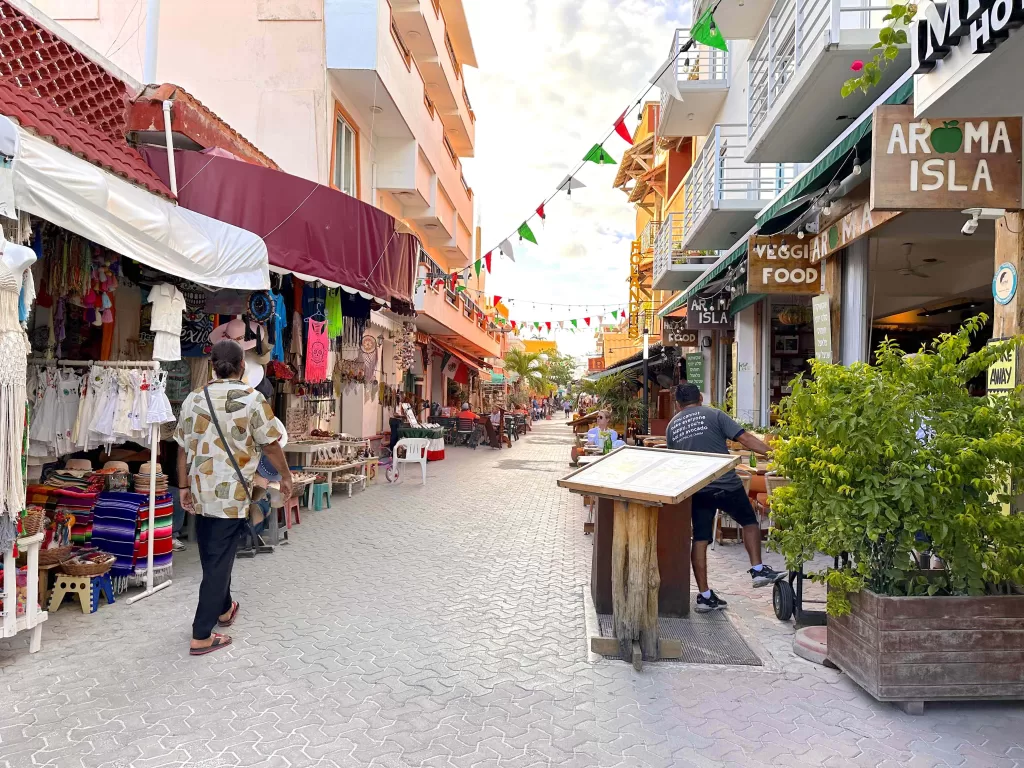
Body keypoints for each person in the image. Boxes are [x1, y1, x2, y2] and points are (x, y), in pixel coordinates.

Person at [175, 340, 293, 656]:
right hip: (232, 495)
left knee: (214, 555)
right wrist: (285, 475)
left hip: (201, 492)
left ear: (213, 365)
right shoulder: (253, 400)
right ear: (242, 366)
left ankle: (224, 608)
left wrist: (183, 488)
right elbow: (271, 444)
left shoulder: (193, 399)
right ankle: (201, 634)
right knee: (218, 559)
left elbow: (182, 448)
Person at [666, 383, 785, 612]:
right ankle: (758, 570)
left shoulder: (672, 426)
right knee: (750, 522)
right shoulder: (714, 414)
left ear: (677, 404)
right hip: (726, 484)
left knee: (700, 539)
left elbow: (675, 460)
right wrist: (776, 454)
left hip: (697, 489)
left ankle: (705, 595)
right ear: (700, 397)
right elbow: (746, 439)